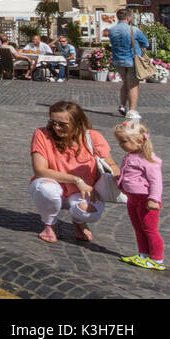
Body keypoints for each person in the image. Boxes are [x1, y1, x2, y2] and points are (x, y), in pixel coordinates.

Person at [30, 100, 119, 243]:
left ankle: (79, 221)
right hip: (55, 185)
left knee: (91, 213)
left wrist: (121, 179)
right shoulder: (42, 134)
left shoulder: (92, 137)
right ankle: (50, 224)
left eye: (62, 124)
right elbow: (40, 170)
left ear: (77, 123)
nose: (56, 128)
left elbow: (112, 165)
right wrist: (76, 180)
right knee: (46, 189)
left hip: (84, 191)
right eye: (53, 122)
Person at [114, 119, 164, 270]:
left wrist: (154, 199)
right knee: (138, 227)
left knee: (150, 229)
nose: (120, 145)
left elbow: (156, 182)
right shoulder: (131, 155)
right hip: (133, 198)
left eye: (123, 142)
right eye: (119, 142)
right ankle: (143, 254)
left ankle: (157, 259)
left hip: (146, 200)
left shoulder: (149, 160)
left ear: (139, 140)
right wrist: (120, 181)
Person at [109, 9, 150, 121]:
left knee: (125, 83)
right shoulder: (134, 29)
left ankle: (122, 105)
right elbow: (146, 43)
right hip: (132, 60)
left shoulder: (112, 30)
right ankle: (132, 111)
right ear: (129, 18)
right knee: (133, 85)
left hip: (118, 60)